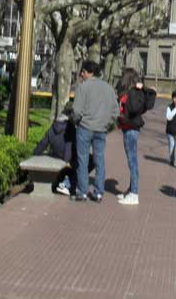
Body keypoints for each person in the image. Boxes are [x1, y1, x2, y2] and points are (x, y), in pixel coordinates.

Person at [71, 60, 119, 203]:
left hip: (85, 127)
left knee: (83, 160)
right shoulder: (108, 88)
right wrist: (107, 124)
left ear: (87, 72)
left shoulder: (82, 87)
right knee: (99, 161)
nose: (81, 75)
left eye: (82, 72)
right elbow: (115, 112)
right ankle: (98, 192)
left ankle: (82, 192)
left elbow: (77, 112)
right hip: (101, 129)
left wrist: (74, 121)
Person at [116, 67, 156, 205]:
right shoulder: (134, 92)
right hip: (130, 128)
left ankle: (134, 193)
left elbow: (133, 109)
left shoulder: (133, 93)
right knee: (131, 160)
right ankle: (131, 190)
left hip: (130, 128)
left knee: (132, 161)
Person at [33, 102, 77, 196]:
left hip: (56, 154)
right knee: (88, 160)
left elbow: (44, 142)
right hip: (66, 157)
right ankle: (66, 184)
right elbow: (68, 147)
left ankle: (60, 182)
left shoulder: (54, 124)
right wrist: (67, 161)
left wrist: (34, 154)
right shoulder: (70, 127)